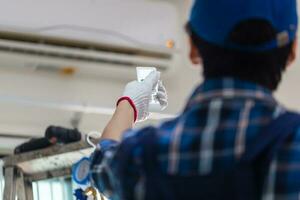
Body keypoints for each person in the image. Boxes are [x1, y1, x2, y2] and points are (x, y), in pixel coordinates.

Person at [90, 0, 300, 199]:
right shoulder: (293, 147)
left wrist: (130, 104)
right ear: (292, 52)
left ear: (192, 49)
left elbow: (101, 162)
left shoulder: (143, 156)